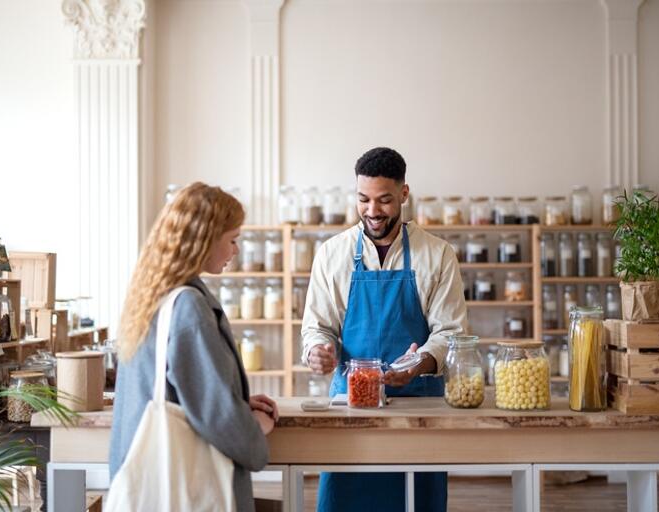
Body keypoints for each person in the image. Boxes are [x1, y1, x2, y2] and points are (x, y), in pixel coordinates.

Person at [302, 147, 469, 512]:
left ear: (404, 194)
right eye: (363, 199)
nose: (373, 211)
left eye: (384, 200)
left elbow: (449, 332)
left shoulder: (437, 254)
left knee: (417, 502)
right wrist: (318, 349)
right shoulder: (332, 253)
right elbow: (318, 327)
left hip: (419, 408)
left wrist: (419, 362)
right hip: (350, 407)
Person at [110, 182, 278, 512]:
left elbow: (181, 391)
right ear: (204, 240)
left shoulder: (151, 295)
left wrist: (237, 400)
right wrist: (254, 426)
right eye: (232, 240)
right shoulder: (189, 306)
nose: (236, 251)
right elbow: (216, 415)